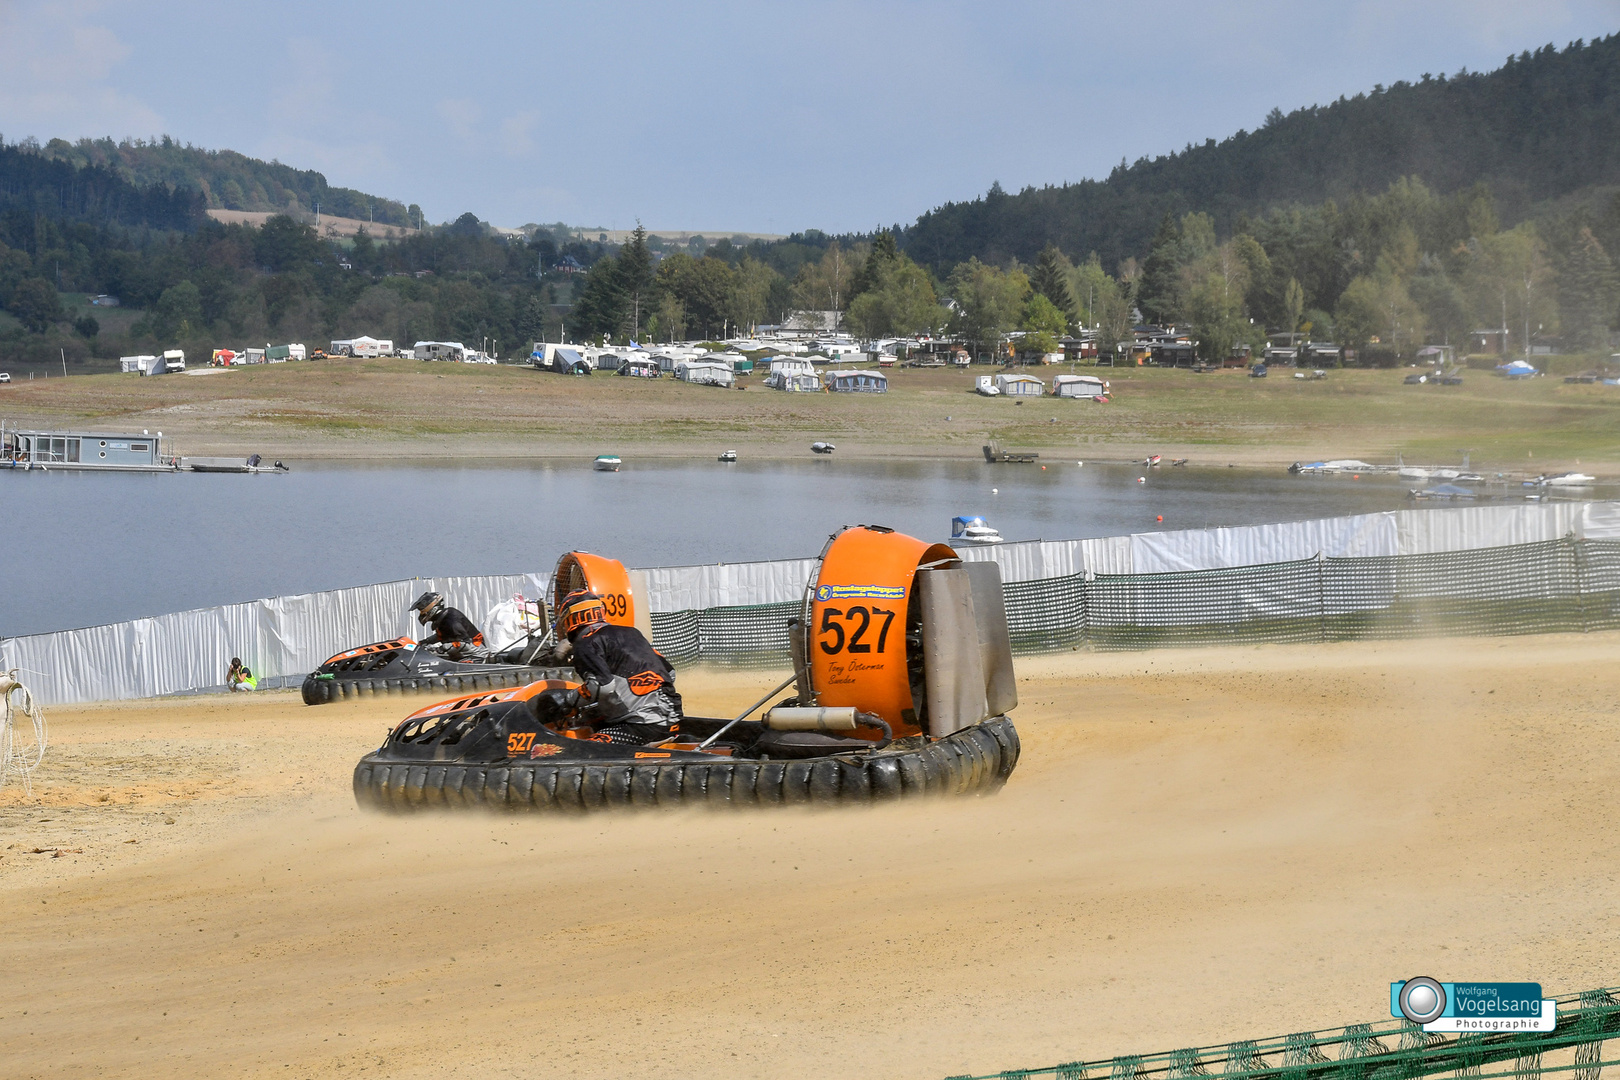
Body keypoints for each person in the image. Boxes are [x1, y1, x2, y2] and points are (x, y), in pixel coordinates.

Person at [553, 590, 682, 744]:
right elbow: (670, 672)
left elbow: (602, 687)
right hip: (672, 720)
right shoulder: (631, 632)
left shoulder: (585, 643)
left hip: (641, 726)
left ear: (570, 619)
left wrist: (567, 701)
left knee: (583, 750)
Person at [409, 591, 484, 657]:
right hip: (462, 654)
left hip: (476, 654)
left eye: (422, 611)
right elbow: (443, 635)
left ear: (432, 607)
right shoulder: (443, 618)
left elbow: (465, 643)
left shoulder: (451, 620)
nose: (421, 614)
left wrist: (442, 648)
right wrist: (425, 642)